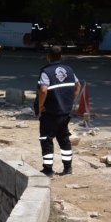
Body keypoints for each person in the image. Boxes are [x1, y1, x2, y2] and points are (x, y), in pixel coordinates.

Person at [35, 45, 81, 177]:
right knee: (64, 139)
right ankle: (68, 168)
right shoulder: (69, 70)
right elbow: (78, 85)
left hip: (50, 113)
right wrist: (71, 100)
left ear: (48, 56)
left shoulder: (46, 72)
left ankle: (48, 169)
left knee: (46, 139)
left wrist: (40, 106)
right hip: (64, 112)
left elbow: (43, 90)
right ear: (61, 56)